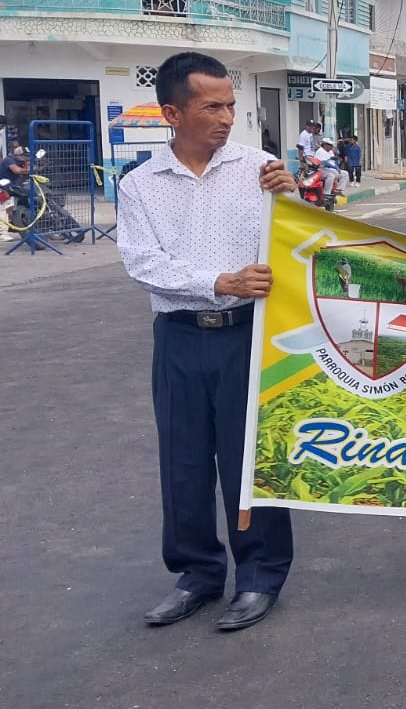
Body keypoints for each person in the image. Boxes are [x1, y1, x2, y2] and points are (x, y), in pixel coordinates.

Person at [115, 51, 298, 632]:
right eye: (211, 107)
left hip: (249, 335)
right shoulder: (140, 185)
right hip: (179, 338)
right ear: (173, 113)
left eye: (230, 106)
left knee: (249, 460)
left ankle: (259, 575)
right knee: (184, 460)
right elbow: (142, 262)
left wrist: (293, 198)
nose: (226, 118)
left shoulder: (260, 168)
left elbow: (298, 243)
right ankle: (196, 573)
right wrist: (218, 282)